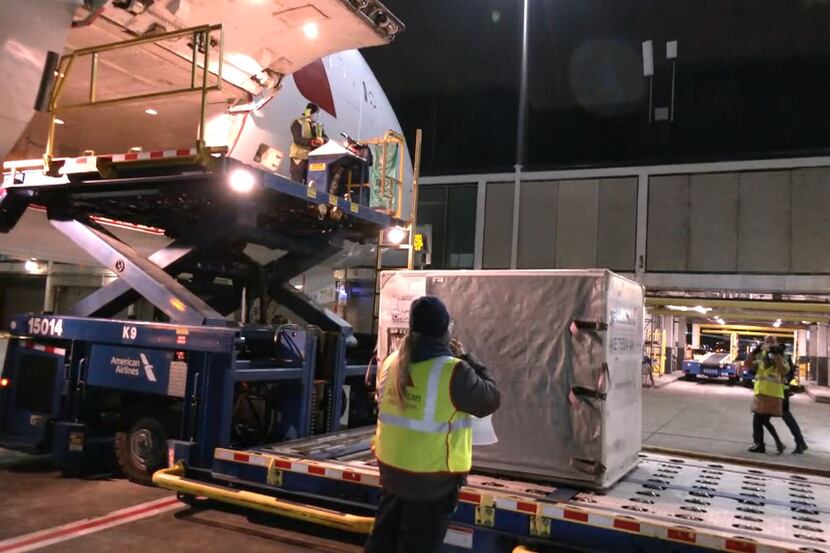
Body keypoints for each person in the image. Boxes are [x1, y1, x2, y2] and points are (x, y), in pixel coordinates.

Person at [364, 296, 500, 553]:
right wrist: (468, 358)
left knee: (382, 542)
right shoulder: (453, 371)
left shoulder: (392, 362)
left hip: (392, 474)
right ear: (444, 330)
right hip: (431, 484)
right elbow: (490, 399)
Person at [746, 336, 788, 454]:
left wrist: (776, 355)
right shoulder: (761, 356)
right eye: (767, 342)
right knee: (762, 420)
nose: (769, 344)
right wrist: (755, 351)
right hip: (761, 393)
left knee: (759, 420)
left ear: (776, 343)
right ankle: (776, 443)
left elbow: (784, 370)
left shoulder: (780, 356)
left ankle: (760, 444)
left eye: (772, 342)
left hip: (772, 395)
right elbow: (749, 365)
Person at [289, 102, 327, 183]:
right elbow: (297, 139)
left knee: (310, 184)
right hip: (299, 158)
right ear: (310, 112)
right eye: (317, 113)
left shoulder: (317, 126)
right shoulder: (298, 122)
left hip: (311, 160)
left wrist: (322, 140)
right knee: (296, 182)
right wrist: (312, 142)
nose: (318, 115)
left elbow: (326, 138)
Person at [781, 346, 809, 454]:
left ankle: (799, 442)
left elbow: (789, 372)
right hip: (775, 392)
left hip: (779, 393)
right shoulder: (775, 356)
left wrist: (785, 382)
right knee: (761, 418)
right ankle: (799, 442)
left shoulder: (781, 358)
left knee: (762, 418)